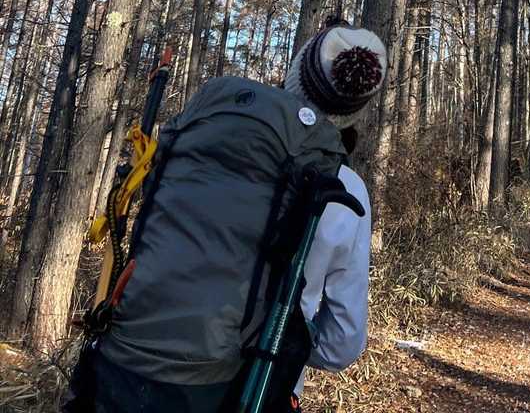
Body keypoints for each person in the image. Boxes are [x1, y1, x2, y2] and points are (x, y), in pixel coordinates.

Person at [80, 21, 385, 413]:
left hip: (122, 369)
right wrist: (283, 339)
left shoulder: (203, 139)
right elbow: (342, 342)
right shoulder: (346, 189)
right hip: (245, 390)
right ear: (354, 112)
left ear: (294, 76)